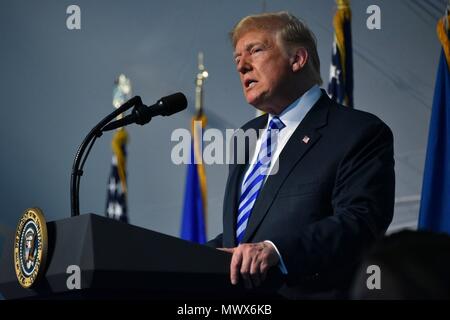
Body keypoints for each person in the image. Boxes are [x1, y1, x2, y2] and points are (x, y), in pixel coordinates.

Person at [207, 11, 395, 299]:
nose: (242, 66)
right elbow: (246, 234)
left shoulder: (358, 132)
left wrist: (277, 251)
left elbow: (360, 221)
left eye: (255, 50)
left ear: (297, 59)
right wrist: (189, 256)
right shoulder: (246, 137)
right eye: (237, 59)